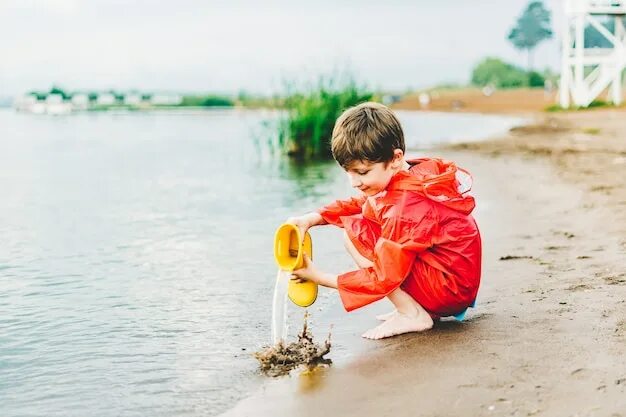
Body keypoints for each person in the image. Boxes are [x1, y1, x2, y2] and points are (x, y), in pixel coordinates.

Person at [287, 102, 481, 340]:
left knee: (354, 233)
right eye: (348, 172)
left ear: (395, 158)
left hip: (448, 290)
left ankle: (412, 313)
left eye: (362, 172)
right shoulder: (411, 175)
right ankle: (413, 307)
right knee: (364, 217)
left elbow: (382, 276)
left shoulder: (405, 206)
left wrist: (319, 277)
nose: (354, 182)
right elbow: (364, 203)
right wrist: (314, 218)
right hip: (454, 281)